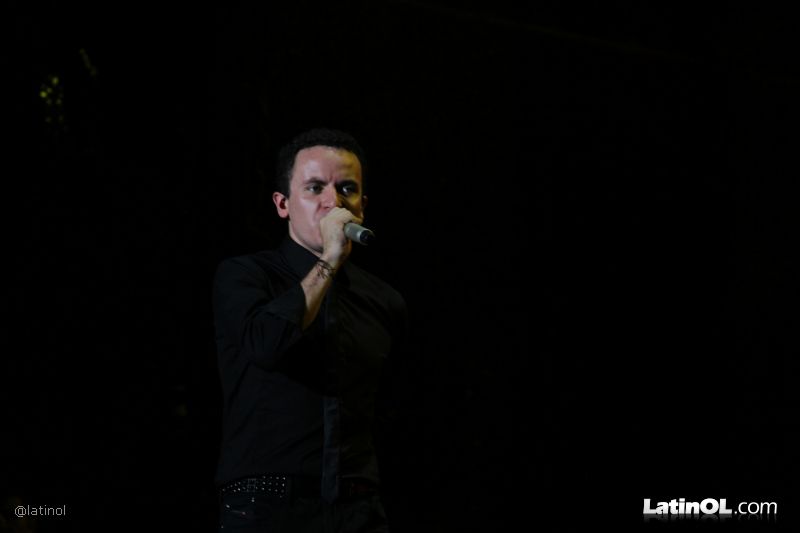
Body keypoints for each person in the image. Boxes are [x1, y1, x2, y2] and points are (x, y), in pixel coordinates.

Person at [213, 128, 406, 532]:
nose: (333, 202)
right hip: (268, 504)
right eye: (315, 188)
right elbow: (267, 345)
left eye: (347, 189)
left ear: (362, 206)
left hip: (359, 507)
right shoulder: (246, 275)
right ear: (283, 204)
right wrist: (329, 261)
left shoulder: (383, 299)